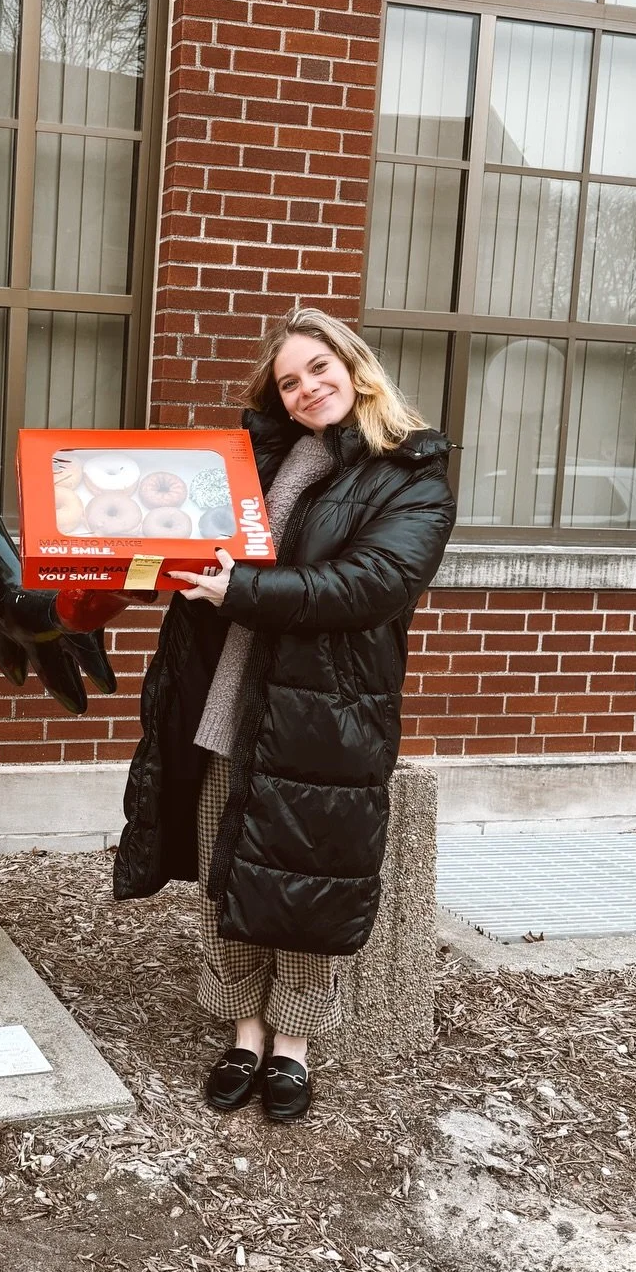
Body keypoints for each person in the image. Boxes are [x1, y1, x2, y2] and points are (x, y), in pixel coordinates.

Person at [113, 308, 456, 1122]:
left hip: (325, 715)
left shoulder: (412, 476)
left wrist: (241, 590)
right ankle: (243, 1032)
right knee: (228, 872)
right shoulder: (252, 459)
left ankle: (293, 1047)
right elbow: (197, 545)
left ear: (356, 365)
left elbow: (369, 586)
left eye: (318, 368)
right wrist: (139, 558)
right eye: (290, 381)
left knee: (306, 885)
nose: (306, 389)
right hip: (227, 697)